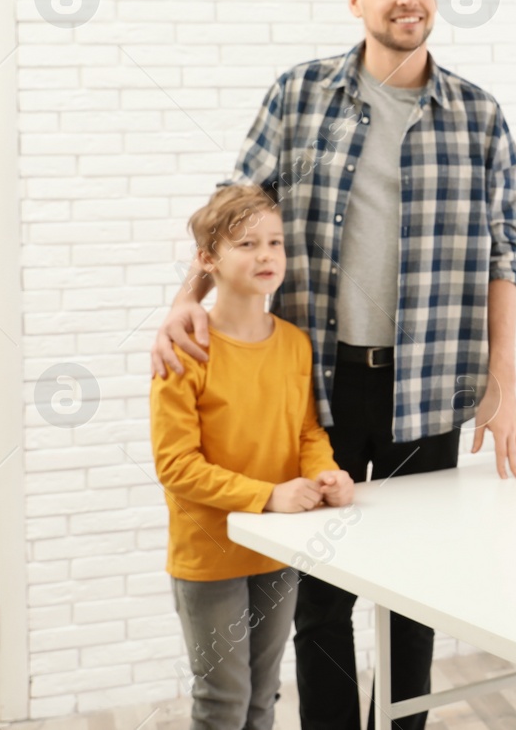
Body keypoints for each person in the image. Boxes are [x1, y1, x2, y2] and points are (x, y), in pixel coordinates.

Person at [150, 0, 516, 730]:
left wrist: (506, 384)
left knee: (413, 598)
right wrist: (188, 294)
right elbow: (234, 199)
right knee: (320, 598)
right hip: (319, 381)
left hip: (431, 386)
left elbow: (505, 254)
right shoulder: (300, 94)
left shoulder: (480, 117)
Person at [151, 183, 357, 730]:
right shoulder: (183, 349)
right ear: (207, 260)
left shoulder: (294, 343)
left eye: (275, 243)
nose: (265, 255)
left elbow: (306, 429)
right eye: (246, 244)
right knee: (223, 702)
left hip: (275, 549)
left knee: (263, 698)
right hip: (209, 554)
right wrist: (268, 495)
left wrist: (324, 471)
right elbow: (176, 467)